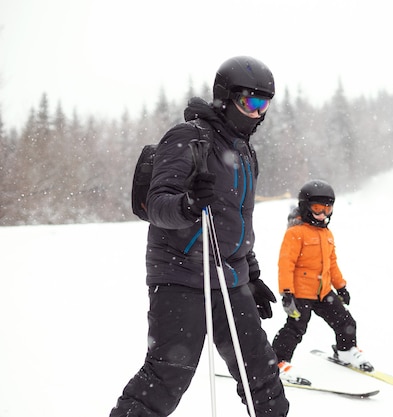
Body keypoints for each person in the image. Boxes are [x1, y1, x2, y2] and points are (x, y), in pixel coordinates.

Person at [110, 56, 289, 417]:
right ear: (225, 96)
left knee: (262, 373)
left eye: (263, 103)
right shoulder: (188, 137)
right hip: (181, 276)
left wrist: (250, 274)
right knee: (166, 377)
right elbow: (158, 205)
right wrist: (189, 203)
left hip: (229, 278)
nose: (257, 113)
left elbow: (237, 221)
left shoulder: (244, 150)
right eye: (249, 102)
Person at [271, 180, 373, 385]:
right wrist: (287, 292)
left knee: (345, 322)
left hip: (323, 290)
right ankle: (277, 362)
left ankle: (345, 351)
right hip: (300, 292)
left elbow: (331, 263)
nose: (323, 214)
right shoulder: (295, 233)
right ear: (305, 207)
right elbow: (286, 263)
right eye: (317, 208)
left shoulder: (327, 234)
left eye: (327, 208)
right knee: (295, 329)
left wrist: (341, 286)